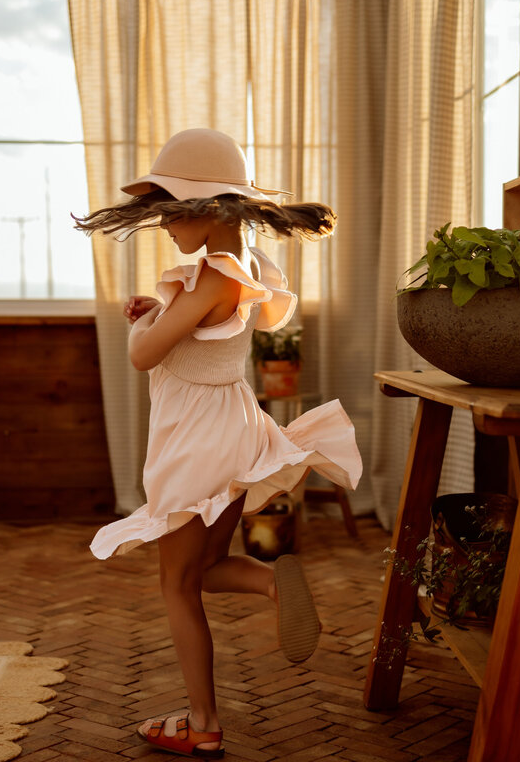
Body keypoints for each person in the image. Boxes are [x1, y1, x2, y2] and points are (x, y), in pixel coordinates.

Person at [75, 128, 362, 760]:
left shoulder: (209, 278)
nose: (166, 227)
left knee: (176, 584)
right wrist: (163, 305)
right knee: (203, 567)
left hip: (196, 440)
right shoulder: (248, 265)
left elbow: (144, 353)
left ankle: (202, 721)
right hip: (237, 428)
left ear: (206, 209)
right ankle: (274, 586)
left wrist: (152, 319)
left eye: (172, 213)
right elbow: (209, 334)